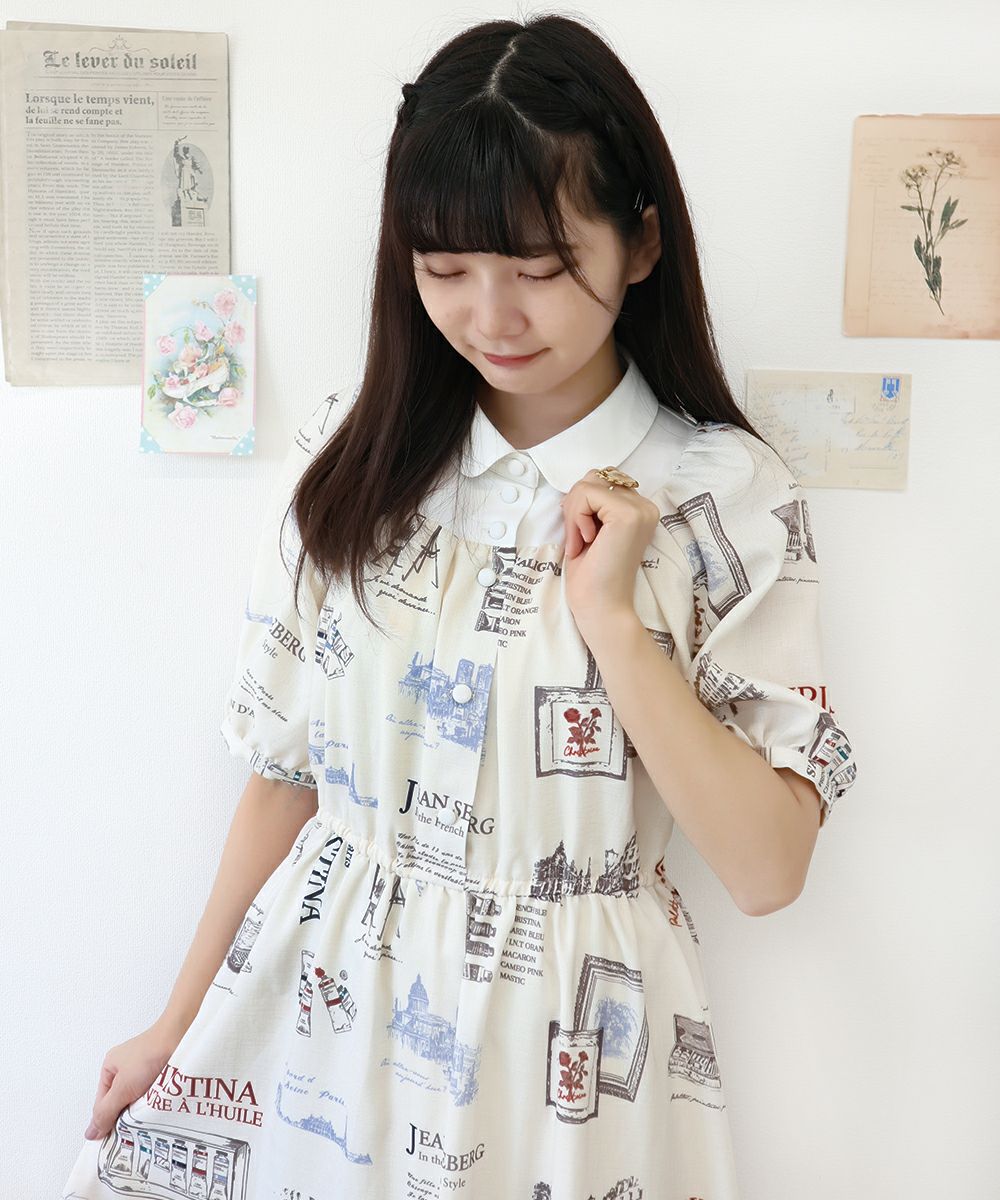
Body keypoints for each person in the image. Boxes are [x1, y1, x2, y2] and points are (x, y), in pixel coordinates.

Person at [61, 13, 858, 1198]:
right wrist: (173, 1026)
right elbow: (286, 777)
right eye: (444, 269)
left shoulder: (721, 496)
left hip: (572, 1065)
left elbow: (766, 869)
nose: (491, 318)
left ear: (640, 243)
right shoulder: (354, 461)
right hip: (328, 1020)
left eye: (538, 270)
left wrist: (614, 624)